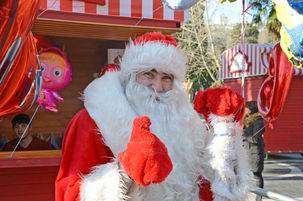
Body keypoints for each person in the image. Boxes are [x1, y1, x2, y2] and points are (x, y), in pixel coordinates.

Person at [55, 32, 250, 201]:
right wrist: (125, 174)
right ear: (131, 76)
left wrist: (223, 126)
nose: (158, 87)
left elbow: (211, 186)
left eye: (167, 78)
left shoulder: (184, 123)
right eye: (149, 74)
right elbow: (69, 193)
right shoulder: (90, 120)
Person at [241, 101, 265, 190]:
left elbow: (255, 139)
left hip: (255, 153)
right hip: (247, 151)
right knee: (244, 173)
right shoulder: (247, 121)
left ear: (251, 110)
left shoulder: (258, 122)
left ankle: (259, 197)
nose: (245, 109)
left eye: (246, 108)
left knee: (257, 175)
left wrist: (244, 137)